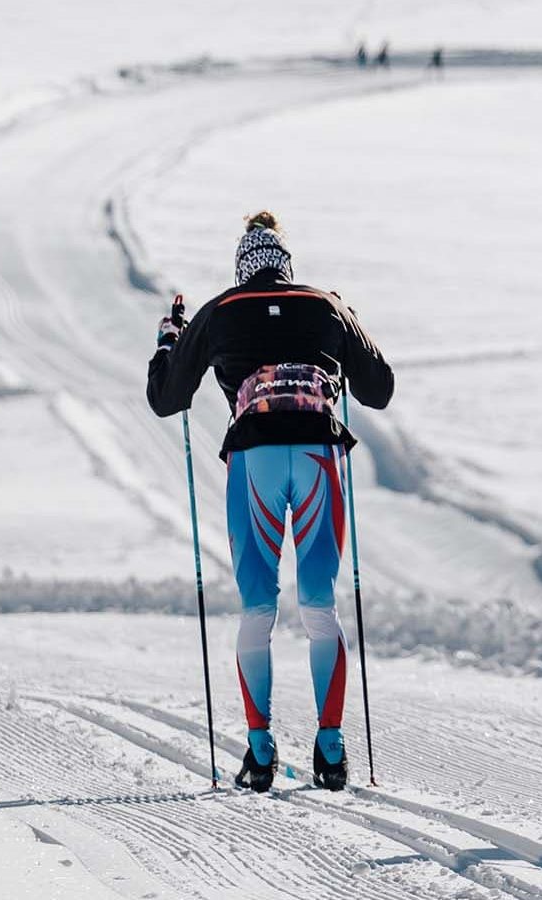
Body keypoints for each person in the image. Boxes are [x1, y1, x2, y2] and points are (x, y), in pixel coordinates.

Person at [147, 211, 395, 793]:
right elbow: (378, 389)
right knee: (318, 605)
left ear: (242, 267)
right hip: (318, 458)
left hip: (253, 458)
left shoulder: (219, 311)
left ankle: (259, 754)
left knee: (257, 608)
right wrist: (344, 325)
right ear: (287, 266)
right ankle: (331, 751)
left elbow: (166, 399)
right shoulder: (325, 305)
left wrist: (169, 341)